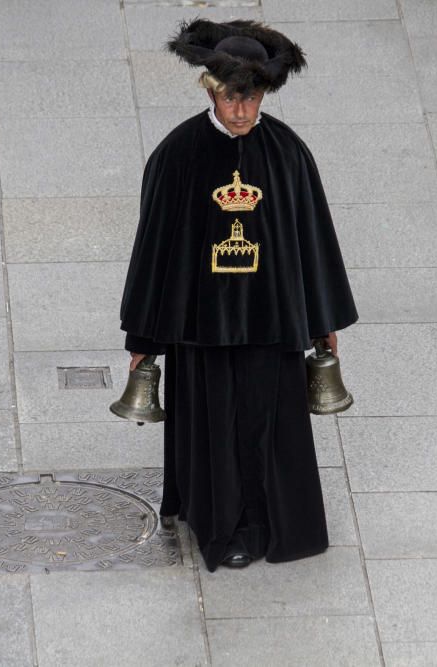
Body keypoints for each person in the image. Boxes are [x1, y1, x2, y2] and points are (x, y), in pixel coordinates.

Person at [118, 19, 357, 571]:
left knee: (267, 427)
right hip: (202, 329)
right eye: (231, 99)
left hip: (271, 325)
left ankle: (274, 525)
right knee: (216, 429)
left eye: (252, 99)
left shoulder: (288, 152)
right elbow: (156, 251)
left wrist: (322, 324)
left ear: (265, 95)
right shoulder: (178, 156)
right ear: (210, 89)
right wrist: (144, 341)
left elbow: (312, 241)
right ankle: (224, 531)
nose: (242, 112)